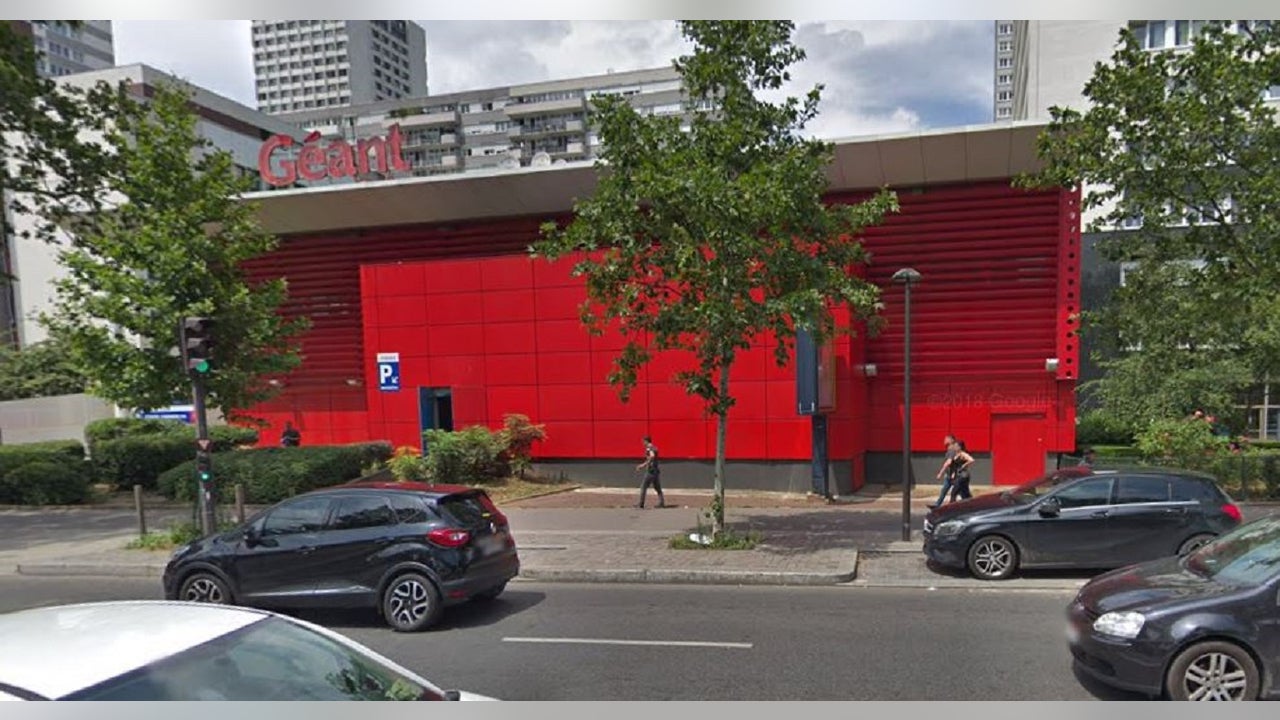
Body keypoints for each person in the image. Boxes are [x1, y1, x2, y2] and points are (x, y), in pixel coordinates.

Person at [635, 435, 666, 509]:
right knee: (657, 488)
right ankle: (661, 503)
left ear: (646, 441)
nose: (643, 443)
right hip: (656, 470)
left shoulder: (649, 448)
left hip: (651, 471)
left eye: (643, 441)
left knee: (643, 487)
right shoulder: (654, 447)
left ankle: (641, 504)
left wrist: (643, 465)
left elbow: (652, 456)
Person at [929, 434, 957, 509]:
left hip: (954, 476)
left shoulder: (952, 450)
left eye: (946, 439)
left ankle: (954, 506)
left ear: (951, 440)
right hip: (949, 475)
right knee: (944, 491)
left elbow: (948, 462)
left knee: (957, 492)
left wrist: (940, 473)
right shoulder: (950, 450)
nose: (944, 440)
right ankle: (937, 505)